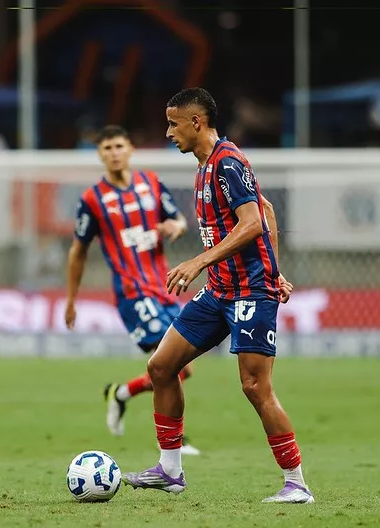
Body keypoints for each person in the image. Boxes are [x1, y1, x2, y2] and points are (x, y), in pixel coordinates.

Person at [121, 88, 313, 504]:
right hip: (220, 291)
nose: (168, 132)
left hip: (250, 293)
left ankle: (296, 484)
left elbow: (253, 222)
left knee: (255, 387)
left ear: (196, 122)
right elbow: (266, 209)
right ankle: (170, 471)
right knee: (161, 367)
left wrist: (201, 262)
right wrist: (276, 268)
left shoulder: (228, 162)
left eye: (173, 124)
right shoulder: (205, 166)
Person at [64, 124, 200, 456]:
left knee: (184, 368)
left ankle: (121, 393)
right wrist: (71, 300)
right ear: (100, 155)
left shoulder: (151, 183)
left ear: (130, 149)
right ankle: (174, 442)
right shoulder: (92, 200)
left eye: (118, 146)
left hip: (164, 287)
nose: (114, 153)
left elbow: (179, 220)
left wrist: (175, 227)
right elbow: (78, 251)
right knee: (169, 366)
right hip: (132, 292)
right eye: (107, 148)